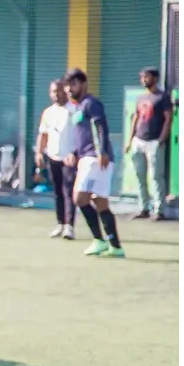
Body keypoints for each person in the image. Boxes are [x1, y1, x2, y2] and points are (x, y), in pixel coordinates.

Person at [64, 68, 124, 258]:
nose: (69, 89)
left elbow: (101, 127)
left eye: (73, 84)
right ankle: (115, 246)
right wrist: (74, 153)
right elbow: (83, 135)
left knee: (79, 198)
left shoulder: (91, 103)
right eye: (67, 85)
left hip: (94, 158)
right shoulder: (78, 107)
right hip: (88, 157)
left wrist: (103, 151)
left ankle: (99, 240)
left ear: (83, 84)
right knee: (100, 202)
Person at [127, 67, 172, 221]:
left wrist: (161, 139)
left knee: (156, 177)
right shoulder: (141, 97)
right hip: (138, 141)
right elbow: (135, 118)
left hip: (154, 142)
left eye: (146, 77)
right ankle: (143, 208)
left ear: (155, 78)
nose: (143, 79)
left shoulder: (162, 97)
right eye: (142, 77)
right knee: (140, 176)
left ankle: (159, 210)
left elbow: (168, 119)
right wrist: (130, 140)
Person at [35, 79, 78, 239]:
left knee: (69, 191)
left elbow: (82, 133)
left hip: (70, 158)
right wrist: (39, 153)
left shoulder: (75, 109)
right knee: (57, 191)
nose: (56, 94)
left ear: (65, 91)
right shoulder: (48, 112)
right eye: (53, 91)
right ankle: (60, 223)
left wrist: (75, 153)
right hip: (53, 156)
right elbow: (43, 134)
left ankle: (69, 226)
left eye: (59, 91)